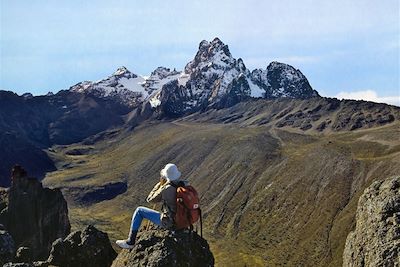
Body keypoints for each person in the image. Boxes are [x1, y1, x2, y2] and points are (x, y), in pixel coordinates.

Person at [116, 163, 182, 249]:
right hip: (184, 221)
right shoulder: (185, 184)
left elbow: (150, 199)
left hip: (170, 222)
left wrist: (159, 185)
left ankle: (130, 242)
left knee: (139, 210)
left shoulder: (167, 188)